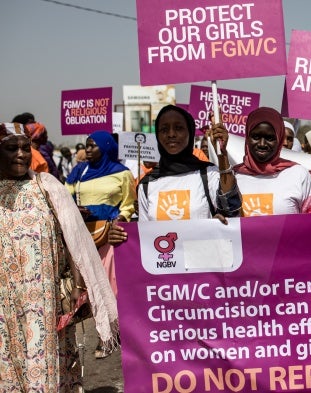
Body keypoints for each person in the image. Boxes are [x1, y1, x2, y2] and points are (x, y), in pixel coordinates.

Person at [0, 122, 119, 391]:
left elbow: (72, 239)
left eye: (25, 147)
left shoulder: (46, 186)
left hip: (43, 301)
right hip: (4, 303)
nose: (20, 153)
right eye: (11, 148)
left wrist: (78, 285)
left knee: (43, 368)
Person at [64, 130, 135, 358]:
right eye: (87, 145)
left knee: (110, 288)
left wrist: (119, 220)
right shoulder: (78, 171)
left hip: (110, 237)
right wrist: (75, 209)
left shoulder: (122, 174)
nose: (89, 150)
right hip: (83, 235)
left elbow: (128, 204)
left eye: (93, 145)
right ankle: (104, 334)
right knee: (89, 288)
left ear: (106, 147)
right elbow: (66, 197)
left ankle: (112, 336)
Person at [122, 105, 240, 222]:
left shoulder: (208, 174)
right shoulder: (147, 184)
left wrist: (222, 154)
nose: (171, 134)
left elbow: (231, 208)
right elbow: (145, 236)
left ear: (190, 132)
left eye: (178, 128)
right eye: (164, 129)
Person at [233, 107, 311, 216]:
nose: (262, 144)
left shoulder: (299, 175)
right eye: (256, 137)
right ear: (247, 137)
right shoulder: (232, 177)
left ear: (279, 139)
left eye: (270, 138)